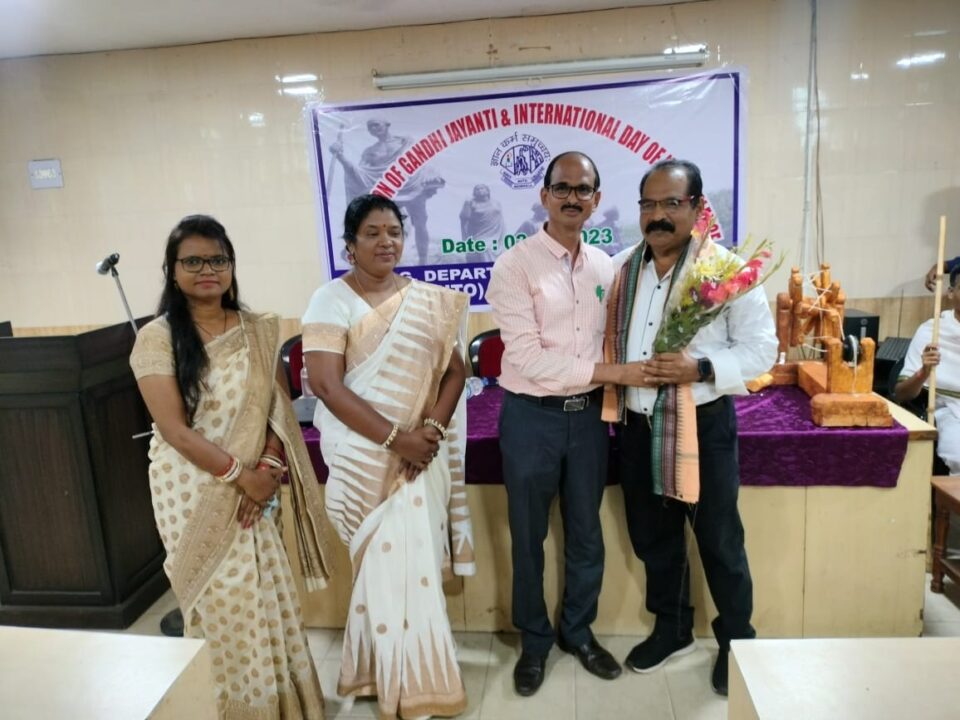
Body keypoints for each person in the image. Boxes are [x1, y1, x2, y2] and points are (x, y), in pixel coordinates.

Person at [130, 215, 332, 719]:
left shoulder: (258, 330)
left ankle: (286, 707)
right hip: (191, 489)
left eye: (217, 259)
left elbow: (277, 409)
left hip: (258, 480)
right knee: (222, 603)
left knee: (267, 591)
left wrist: (267, 466)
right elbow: (175, 430)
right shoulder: (156, 338)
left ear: (231, 265)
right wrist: (243, 479)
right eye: (193, 261)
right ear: (172, 270)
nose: (207, 270)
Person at [603, 159, 777, 696]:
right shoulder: (622, 268)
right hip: (637, 423)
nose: (657, 215)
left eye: (671, 203)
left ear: (698, 208)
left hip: (702, 426)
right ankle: (674, 627)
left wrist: (699, 367)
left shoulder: (726, 271)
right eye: (648, 204)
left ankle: (737, 641)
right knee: (653, 537)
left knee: (719, 539)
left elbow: (762, 351)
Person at [302, 194, 475, 720]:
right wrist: (397, 440)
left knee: (411, 567)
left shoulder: (428, 301)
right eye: (372, 233)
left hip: (421, 454)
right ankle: (392, 678)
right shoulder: (330, 300)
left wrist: (432, 429)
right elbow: (327, 386)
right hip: (361, 458)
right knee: (378, 568)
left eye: (394, 232)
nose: (386, 241)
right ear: (350, 245)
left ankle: (407, 681)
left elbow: (456, 372)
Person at [486, 151, 648, 697]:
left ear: (597, 200)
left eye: (583, 190)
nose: (572, 198)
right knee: (528, 536)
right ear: (544, 196)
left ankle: (578, 632)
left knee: (586, 532)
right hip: (530, 419)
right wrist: (614, 373)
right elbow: (528, 359)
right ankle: (534, 641)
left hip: (589, 422)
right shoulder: (515, 266)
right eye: (562, 188)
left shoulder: (606, 267)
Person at [330, 117, 445, 265]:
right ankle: (370, 256)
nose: (373, 129)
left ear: (387, 125)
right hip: (390, 191)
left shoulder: (405, 142)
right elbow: (359, 174)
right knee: (379, 224)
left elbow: (423, 158)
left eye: (376, 125)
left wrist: (431, 174)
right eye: (370, 127)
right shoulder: (370, 152)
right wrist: (340, 156)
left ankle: (423, 262)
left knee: (420, 223)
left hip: (412, 186)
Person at [895, 266, 960, 473]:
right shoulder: (932, 331)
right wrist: (923, 371)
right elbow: (901, 393)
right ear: (951, 293)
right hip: (950, 411)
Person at [459, 183, 505, 263]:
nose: (479, 190)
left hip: (496, 234)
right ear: (474, 193)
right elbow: (464, 218)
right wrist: (466, 203)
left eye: (482, 188)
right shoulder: (471, 203)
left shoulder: (496, 203)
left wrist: (502, 234)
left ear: (487, 191)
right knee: (484, 248)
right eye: (477, 189)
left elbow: (500, 219)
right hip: (480, 235)